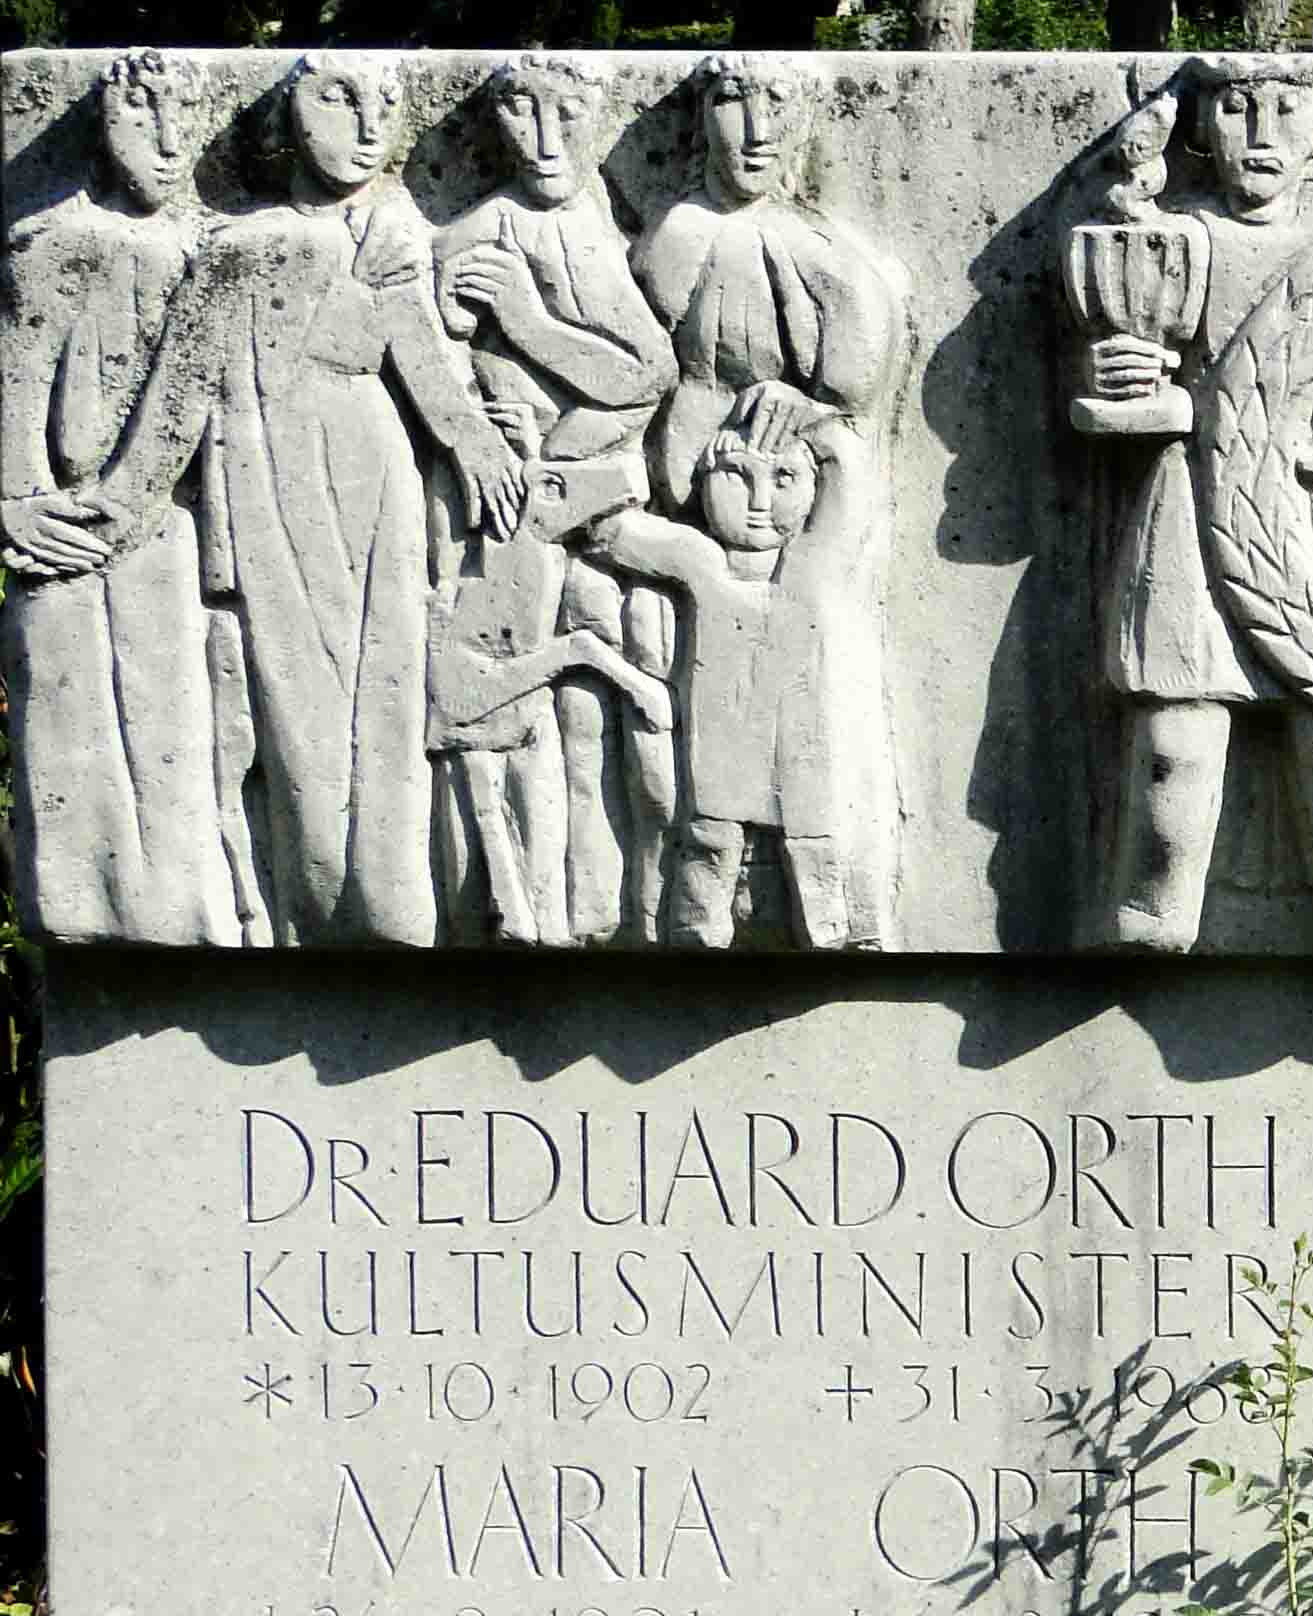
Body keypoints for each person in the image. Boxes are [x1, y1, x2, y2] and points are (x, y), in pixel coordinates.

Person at [84, 51, 525, 947]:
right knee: (297, 694)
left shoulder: (392, 234)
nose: (368, 126)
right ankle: (321, 899)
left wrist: (477, 440)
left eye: (386, 106)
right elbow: (180, 390)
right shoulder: (240, 247)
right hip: (269, 473)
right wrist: (115, 503)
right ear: (288, 118)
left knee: (389, 678)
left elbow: (425, 362)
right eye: (340, 99)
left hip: (373, 467)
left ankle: (395, 898)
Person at [1075, 57, 1313, 952]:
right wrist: (1110, 378)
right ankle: (1148, 908)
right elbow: (1128, 391)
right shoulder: (1173, 242)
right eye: (1237, 109)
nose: (1261, 131)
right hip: (1196, 491)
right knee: (1175, 728)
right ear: (1202, 131)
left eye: (1287, 109)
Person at [634, 53, 906, 945]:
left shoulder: (821, 250)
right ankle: (701, 910)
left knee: (815, 746)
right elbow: (638, 363)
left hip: (796, 513)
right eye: (731, 103)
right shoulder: (675, 234)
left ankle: (829, 916)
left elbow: (857, 370)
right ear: (702, 116)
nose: (755, 129)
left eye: (775, 106)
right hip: (696, 506)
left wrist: (814, 413)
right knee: (698, 774)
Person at [431, 52, 674, 945]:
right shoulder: (472, 234)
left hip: (589, 505)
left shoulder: (596, 225)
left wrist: (530, 325)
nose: (542, 142)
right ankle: (519, 905)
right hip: (504, 520)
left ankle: (622, 906)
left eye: (564, 118)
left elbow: (646, 375)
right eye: (520, 119)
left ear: (596, 123)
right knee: (506, 722)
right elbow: (433, 370)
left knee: (602, 713)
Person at [0, 50, 233, 945]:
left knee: (174, 734)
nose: (168, 145)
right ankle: (100, 919)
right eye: (145, 121)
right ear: (105, 127)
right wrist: (20, 499)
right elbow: (18, 381)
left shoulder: (206, 248)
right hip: (68, 529)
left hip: (166, 528)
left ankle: (181, 916)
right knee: (77, 736)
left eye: (185, 123)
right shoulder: (57, 244)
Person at [582, 414, 877, 948]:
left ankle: (832, 934)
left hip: (802, 744)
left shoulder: (812, 563)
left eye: (783, 478)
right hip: (721, 738)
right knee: (710, 841)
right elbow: (610, 533)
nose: (759, 500)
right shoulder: (702, 563)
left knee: (814, 847)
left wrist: (804, 418)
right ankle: (697, 930)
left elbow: (849, 474)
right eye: (736, 477)